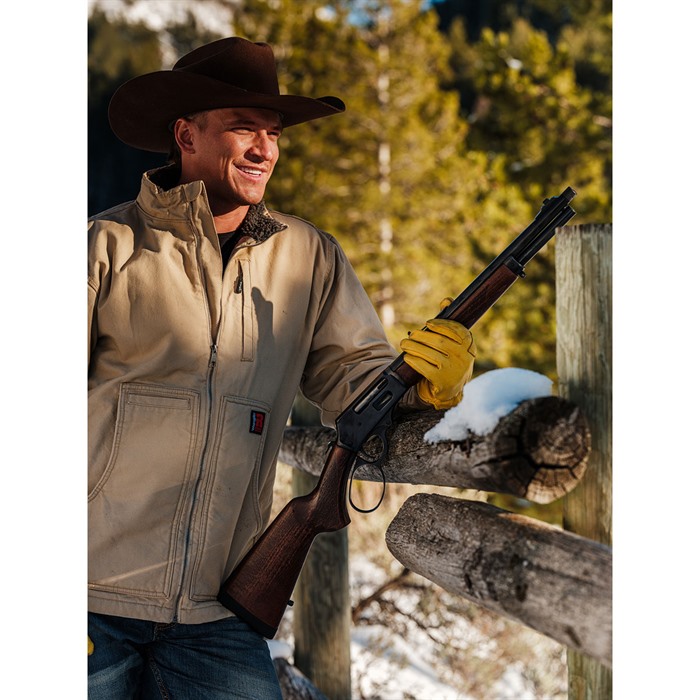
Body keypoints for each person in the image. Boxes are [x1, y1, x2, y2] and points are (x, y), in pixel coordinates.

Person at [88, 37, 476, 699]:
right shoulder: (105, 245)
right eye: (245, 128)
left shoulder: (311, 257)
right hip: (89, 595)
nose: (264, 149)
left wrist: (427, 383)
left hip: (220, 613)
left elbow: (356, 381)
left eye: (273, 133)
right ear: (186, 134)